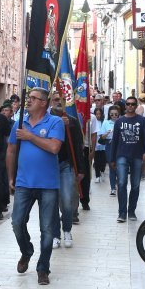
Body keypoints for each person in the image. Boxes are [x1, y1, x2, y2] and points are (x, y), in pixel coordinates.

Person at [6, 88, 64, 286]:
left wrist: (30, 136)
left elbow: (54, 147)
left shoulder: (55, 122)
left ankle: (43, 268)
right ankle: (27, 251)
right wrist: (10, 177)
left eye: (33, 98)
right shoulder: (19, 123)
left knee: (47, 229)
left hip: (48, 184)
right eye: (28, 97)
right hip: (24, 183)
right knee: (16, 223)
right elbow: (11, 150)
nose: (28, 101)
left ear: (43, 103)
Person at [49, 91, 85, 249]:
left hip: (66, 165)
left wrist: (81, 168)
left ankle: (67, 230)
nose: (59, 102)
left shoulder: (72, 121)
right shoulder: (45, 120)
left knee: (67, 202)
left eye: (62, 99)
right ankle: (55, 235)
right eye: (56, 99)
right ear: (50, 102)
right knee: (51, 203)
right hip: (49, 167)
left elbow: (78, 146)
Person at [108, 97, 145, 223]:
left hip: (137, 156)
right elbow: (115, 141)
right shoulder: (119, 122)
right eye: (128, 104)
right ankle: (122, 212)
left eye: (133, 104)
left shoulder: (142, 121)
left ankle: (131, 210)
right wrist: (112, 159)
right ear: (125, 106)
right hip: (122, 155)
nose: (131, 106)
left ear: (136, 105)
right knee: (121, 183)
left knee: (136, 185)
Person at [78, 108, 99, 213]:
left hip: (86, 147)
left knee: (85, 176)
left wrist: (93, 150)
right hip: (73, 147)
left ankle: (85, 200)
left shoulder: (92, 117)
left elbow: (93, 135)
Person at [102, 106, 121, 195]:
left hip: (120, 145)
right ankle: (113, 187)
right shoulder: (106, 123)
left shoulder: (122, 121)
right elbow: (102, 137)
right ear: (109, 114)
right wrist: (107, 133)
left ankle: (120, 185)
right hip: (109, 144)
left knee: (120, 166)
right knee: (111, 166)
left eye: (116, 114)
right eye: (112, 114)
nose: (114, 116)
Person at [93, 107, 107, 182]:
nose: (98, 115)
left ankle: (102, 170)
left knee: (103, 160)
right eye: (96, 114)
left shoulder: (104, 122)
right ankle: (97, 176)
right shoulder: (93, 122)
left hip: (103, 144)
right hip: (96, 144)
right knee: (97, 160)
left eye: (99, 114)